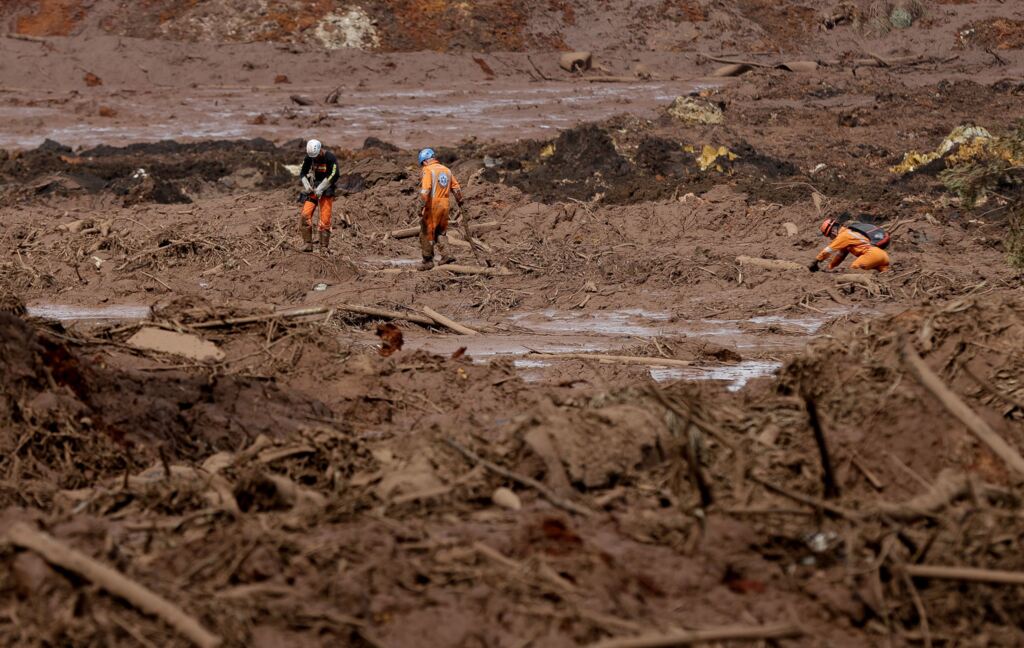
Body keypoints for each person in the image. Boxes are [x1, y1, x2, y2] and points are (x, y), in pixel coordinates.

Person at [416, 148, 464, 270]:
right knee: (440, 231)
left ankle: (427, 260)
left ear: (425, 161)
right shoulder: (446, 170)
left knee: (426, 231)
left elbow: (426, 190)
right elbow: (456, 188)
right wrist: (460, 201)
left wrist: (420, 206)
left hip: (433, 204)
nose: (422, 167)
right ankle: (447, 255)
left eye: (422, 164)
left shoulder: (428, 170)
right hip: (445, 204)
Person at [298, 139, 339, 253]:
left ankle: (324, 247)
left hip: (327, 189)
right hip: (313, 188)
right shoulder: (309, 157)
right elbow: (302, 173)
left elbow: (335, 174)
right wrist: (307, 186)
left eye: (316, 156)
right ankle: (307, 244)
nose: (314, 159)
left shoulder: (330, 157)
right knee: (305, 214)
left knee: (325, 219)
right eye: (312, 157)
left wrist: (322, 188)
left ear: (320, 150)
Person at [810, 218, 890, 273]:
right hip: (883, 256)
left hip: (872, 255)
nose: (831, 239)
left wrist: (816, 261)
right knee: (883, 277)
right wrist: (830, 267)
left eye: (829, 236)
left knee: (853, 269)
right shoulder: (850, 233)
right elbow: (840, 256)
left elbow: (829, 250)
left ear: (833, 231)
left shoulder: (844, 235)